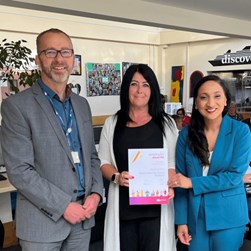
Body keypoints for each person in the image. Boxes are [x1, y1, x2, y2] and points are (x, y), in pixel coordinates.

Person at [1, 28, 103, 251]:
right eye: (50, 52)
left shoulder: (81, 104)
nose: (59, 59)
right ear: (38, 60)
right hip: (42, 224)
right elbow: (19, 170)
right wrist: (64, 206)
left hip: (83, 218)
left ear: (72, 58)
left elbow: (92, 157)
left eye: (65, 52)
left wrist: (96, 194)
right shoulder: (16, 107)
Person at [98, 64, 178, 251]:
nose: (140, 90)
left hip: (156, 209)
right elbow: (103, 162)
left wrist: (170, 183)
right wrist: (116, 177)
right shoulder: (112, 124)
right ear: (126, 88)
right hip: (123, 209)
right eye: (134, 84)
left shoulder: (166, 124)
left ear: (153, 90)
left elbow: (172, 162)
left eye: (146, 84)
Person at [169, 75, 251, 251]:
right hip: (195, 216)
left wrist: (192, 182)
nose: (210, 103)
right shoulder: (186, 134)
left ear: (226, 100)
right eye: (203, 97)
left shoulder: (241, 132)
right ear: (196, 103)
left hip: (228, 216)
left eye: (217, 96)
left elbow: (234, 177)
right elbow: (179, 181)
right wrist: (181, 221)